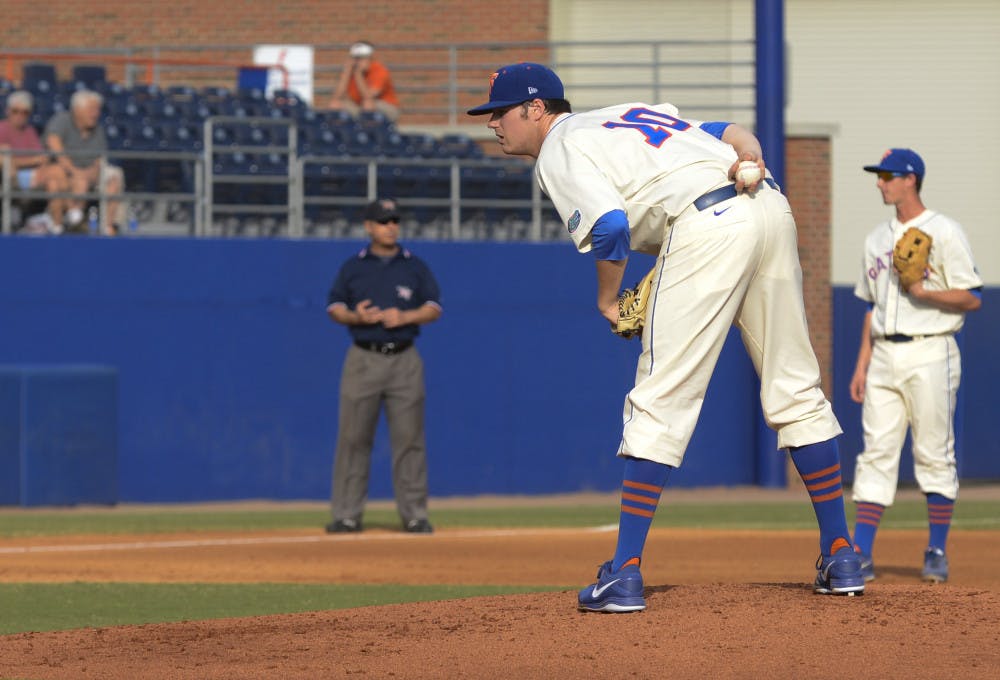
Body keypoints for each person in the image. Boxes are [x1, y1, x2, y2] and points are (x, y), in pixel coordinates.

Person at [467, 62, 865, 612]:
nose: (492, 124)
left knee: (661, 394)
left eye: (500, 112)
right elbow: (730, 132)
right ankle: (842, 554)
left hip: (705, 227)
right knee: (795, 384)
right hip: (769, 206)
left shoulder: (560, 146)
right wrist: (752, 154)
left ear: (537, 110)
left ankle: (624, 572)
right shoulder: (623, 113)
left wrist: (608, 298)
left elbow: (608, 226)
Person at [849, 148, 982, 584]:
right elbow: (870, 306)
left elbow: (971, 297)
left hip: (932, 349)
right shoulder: (874, 239)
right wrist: (862, 365)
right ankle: (861, 554)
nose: (879, 183)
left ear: (911, 179)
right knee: (876, 454)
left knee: (932, 451)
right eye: (879, 175)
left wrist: (924, 293)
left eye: (887, 175)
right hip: (884, 352)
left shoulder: (944, 231)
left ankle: (937, 550)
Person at [325, 198, 441, 534]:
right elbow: (334, 306)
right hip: (363, 355)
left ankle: (415, 514)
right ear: (368, 226)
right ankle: (346, 514)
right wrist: (355, 316)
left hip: (404, 357)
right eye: (383, 221)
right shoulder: (354, 266)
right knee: (353, 438)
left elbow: (434, 306)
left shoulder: (413, 265)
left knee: (409, 439)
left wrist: (404, 316)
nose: (390, 226)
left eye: (394, 221)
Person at [43, 89, 125, 235]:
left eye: (98, 109)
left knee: (115, 176)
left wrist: (88, 174)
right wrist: (74, 171)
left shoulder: (97, 129)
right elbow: (54, 144)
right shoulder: (62, 120)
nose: (96, 113)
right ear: (77, 110)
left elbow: (99, 160)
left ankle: (108, 227)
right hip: (65, 169)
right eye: (91, 109)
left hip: (88, 172)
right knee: (59, 176)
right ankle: (67, 222)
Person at [0, 90, 70, 229]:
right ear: (8, 111)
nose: (20, 115)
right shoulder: (2, 128)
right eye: (16, 111)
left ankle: (57, 225)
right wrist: (33, 160)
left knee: (54, 181)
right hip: (11, 177)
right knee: (56, 172)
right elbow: (6, 160)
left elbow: (42, 158)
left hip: (31, 175)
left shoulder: (29, 131)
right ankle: (72, 211)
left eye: (25, 112)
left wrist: (35, 161)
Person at [327, 41, 401, 122]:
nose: (358, 62)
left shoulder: (379, 70)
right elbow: (337, 96)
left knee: (367, 104)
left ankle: (370, 133)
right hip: (360, 106)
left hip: (387, 107)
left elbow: (369, 96)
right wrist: (346, 73)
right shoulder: (352, 71)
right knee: (335, 104)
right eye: (355, 58)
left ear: (370, 58)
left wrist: (358, 75)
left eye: (361, 58)